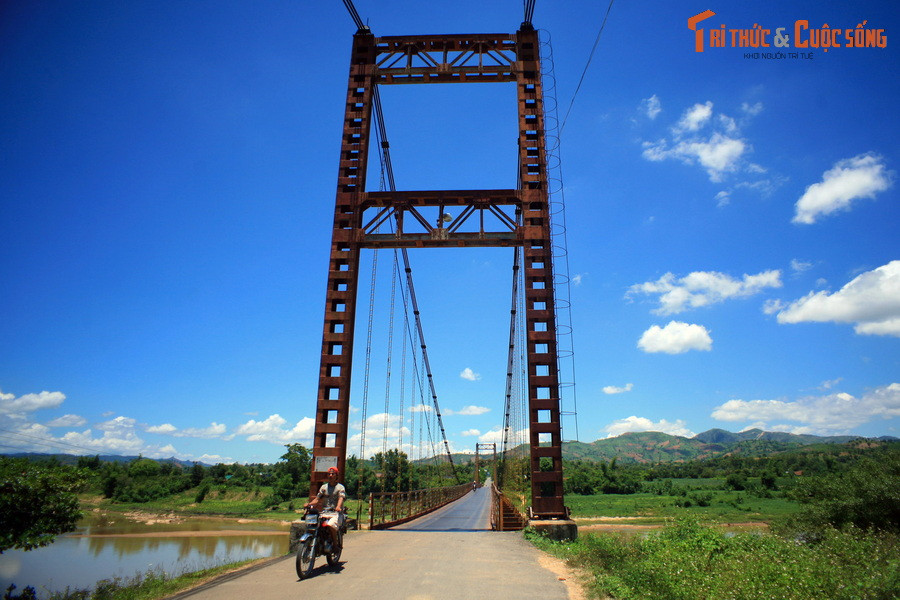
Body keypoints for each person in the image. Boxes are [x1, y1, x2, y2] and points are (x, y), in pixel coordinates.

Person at [305, 466, 346, 551]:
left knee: (330, 525)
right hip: (325, 512)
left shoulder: (340, 487)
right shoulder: (323, 487)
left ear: (336, 476)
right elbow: (317, 499)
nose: (330, 475)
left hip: (336, 513)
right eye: (329, 474)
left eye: (333, 474)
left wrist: (338, 507)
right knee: (315, 524)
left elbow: (341, 498)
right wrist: (309, 504)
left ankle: (335, 545)